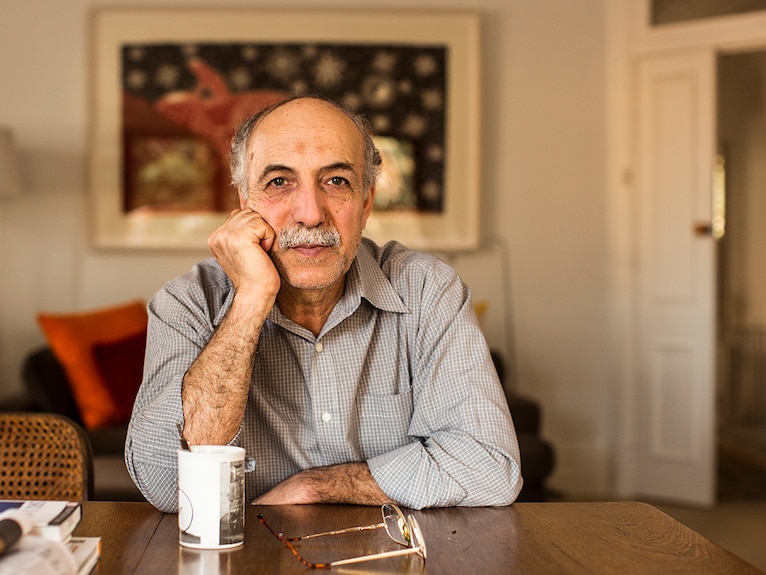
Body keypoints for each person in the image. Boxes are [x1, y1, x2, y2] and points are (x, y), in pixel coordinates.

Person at [125, 95, 522, 512]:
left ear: (365, 203)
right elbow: (168, 485)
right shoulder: (187, 302)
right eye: (279, 182)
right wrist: (250, 300)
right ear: (245, 203)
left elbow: (491, 467)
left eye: (336, 181)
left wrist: (319, 487)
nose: (311, 214)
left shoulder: (427, 290)